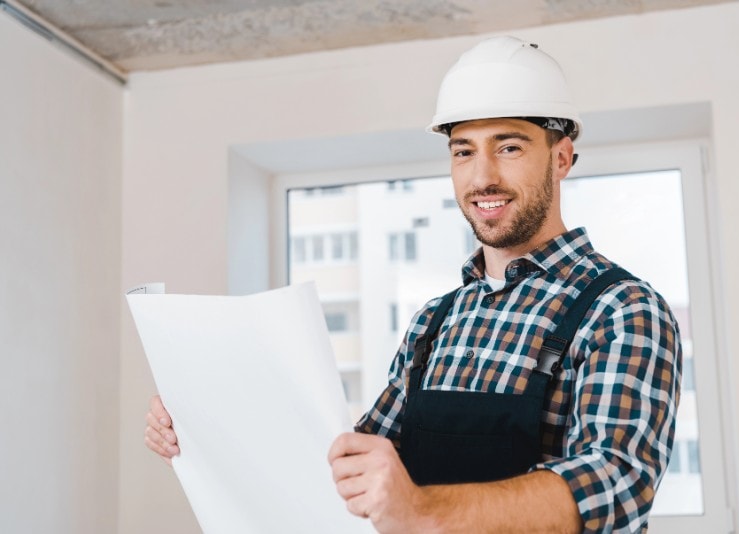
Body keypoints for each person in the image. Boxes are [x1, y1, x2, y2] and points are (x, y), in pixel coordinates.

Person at [145, 36, 681, 533]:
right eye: (463, 150)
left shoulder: (621, 309)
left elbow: (613, 484)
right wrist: (202, 429)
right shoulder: (437, 320)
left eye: (509, 147)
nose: (482, 176)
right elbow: (352, 468)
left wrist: (425, 511)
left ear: (561, 157)